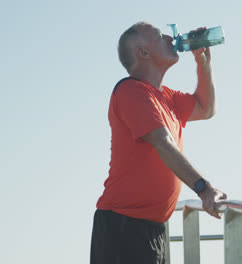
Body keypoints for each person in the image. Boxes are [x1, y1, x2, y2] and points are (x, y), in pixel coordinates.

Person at [90, 22, 227, 264]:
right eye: (158, 35)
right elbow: (163, 144)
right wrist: (204, 189)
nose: (168, 37)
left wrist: (203, 62)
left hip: (155, 228)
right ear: (142, 53)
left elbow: (206, 108)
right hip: (124, 227)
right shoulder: (130, 90)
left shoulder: (167, 97)